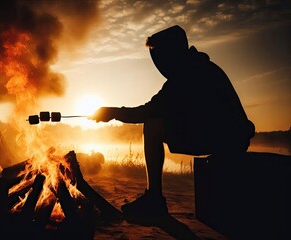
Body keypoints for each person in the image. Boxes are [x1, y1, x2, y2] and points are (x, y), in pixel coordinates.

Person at [89, 25, 255, 221]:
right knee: (156, 123)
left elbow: (150, 111)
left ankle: (154, 200)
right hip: (226, 135)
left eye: (159, 57)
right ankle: (154, 198)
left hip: (227, 139)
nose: (158, 65)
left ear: (170, 54)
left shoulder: (188, 74)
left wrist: (113, 112)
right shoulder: (197, 67)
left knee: (153, 126)